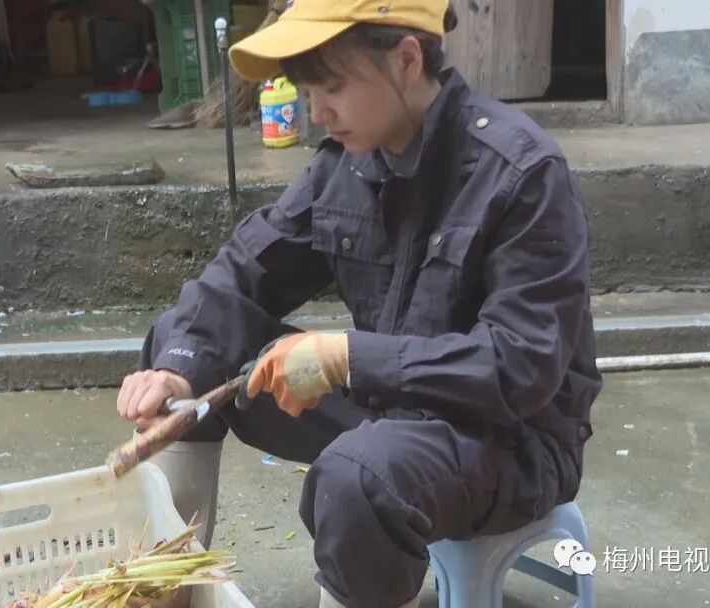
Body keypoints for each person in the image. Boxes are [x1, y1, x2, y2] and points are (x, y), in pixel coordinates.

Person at [116, 0, 602, 606]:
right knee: (191, 349)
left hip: (512, 441)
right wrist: (175, 368)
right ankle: (167, 591)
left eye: (334, 86)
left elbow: (521, 368)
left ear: (405, 59)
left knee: (360, 476)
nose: (317, 111)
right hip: (392, 414)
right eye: (307, 90)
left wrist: (348, 358)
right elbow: (243, 274)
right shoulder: (347, 165)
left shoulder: (522, 173)